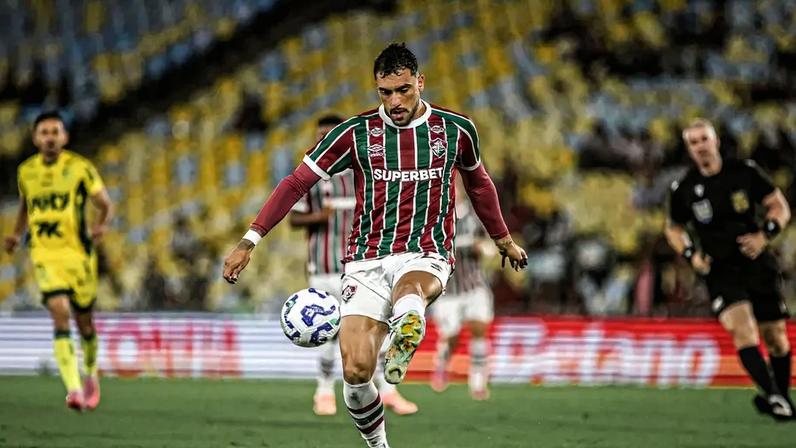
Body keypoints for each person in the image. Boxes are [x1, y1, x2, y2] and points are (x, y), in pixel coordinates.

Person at [223, 43, 527, 447]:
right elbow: (296, 183)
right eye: (386, 92)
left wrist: (502, 238)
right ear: (376, 88)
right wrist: (250, 239)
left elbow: (479, 184)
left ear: (420, 82)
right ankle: (380, 443)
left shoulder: (455, 129)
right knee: (355, 371)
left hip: (426, 251)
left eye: (404, 90)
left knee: (411, 288)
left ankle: (408, 322)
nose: (395, 101)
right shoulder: (354, 134)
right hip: (365, 259)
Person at [665, 118, 793, 420]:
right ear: (689, 149)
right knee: (743, 329)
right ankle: (774, 394)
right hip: (719, 269)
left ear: (716, 141)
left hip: (756, 263)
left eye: (704, 139)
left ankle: (782, 400)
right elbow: (673, 228)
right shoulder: (683, 187)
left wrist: (765, 234)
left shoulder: (745, 173)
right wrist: (690, 254)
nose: (700, 147)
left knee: (776, 338)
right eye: (693, 143)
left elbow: (779, 206)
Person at [289, 114, 417, 416]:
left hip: (362, 265)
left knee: (373, 328)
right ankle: (323, 392)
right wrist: (319, 218)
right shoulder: (311, 178)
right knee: (329, 331)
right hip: (324, 266)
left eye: (330, 135)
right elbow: (294, 217)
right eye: (320, 135)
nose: (324, 141)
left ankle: (388, 392)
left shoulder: (362, 174)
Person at [4, 111, 113, 411]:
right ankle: (73, 387)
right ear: (36, 138)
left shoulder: (80, 168)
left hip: (79, 254)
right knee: (59, 311)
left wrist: (101, 225)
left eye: (55, 132)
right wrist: (16, 234)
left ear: (64, 137)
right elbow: (26, 207)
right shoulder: (26, 171)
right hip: (45, 254)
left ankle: (90, 371)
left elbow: (104, 203)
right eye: (44, 132)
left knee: (85, 323)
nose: (50, 137)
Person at [430, 177, 494, 400]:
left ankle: (478, 381)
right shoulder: (435, 218)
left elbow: (489, 245)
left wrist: (482, 249)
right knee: (452, 336)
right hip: (448, 290)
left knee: (479, 329)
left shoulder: (473, 216)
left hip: (474, 285)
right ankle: (442, 363)